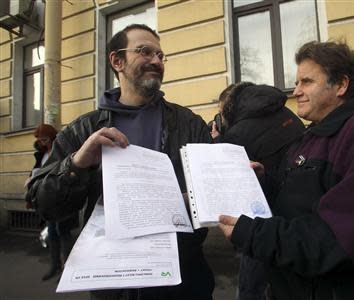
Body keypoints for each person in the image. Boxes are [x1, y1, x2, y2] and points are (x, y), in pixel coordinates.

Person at [218, 41, 354, 299]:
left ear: (341, 85)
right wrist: (264, 182)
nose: (296, 91)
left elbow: (340, 240)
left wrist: (252, 234)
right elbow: (299, 202)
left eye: (306, 82)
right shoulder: (309, 137)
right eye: (297, 82)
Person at [26, 24, 214, 299]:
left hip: (182, 281)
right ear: (117, 61)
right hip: (113, 285)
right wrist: (77, 164)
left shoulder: (189, 124)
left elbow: (210, 194)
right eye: (144, 51)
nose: (156, 61)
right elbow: (44, 205)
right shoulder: (83, 130)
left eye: (161, 55)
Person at [210, 82, 305, 300]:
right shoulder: (283, 111)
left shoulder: (239, 133)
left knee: (252, 283)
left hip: (264, 217)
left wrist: (218, 142)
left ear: (229, 107)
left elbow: (226, 173)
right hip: (298, 208)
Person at [25, 124, 78, 281]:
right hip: (46, 199)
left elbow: (69, 169)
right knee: (52, 233)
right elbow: (37, 171)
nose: (42, 142)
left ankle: (66, 268)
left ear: (52, 137)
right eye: (40, 140)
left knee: (64, 232)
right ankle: (54, 266)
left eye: (45, 139)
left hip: (62, 198)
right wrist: (31, 180)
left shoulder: (62, 148)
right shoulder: (40, 154)